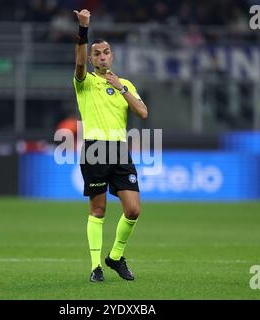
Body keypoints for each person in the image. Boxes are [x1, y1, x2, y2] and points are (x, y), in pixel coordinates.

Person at [72, 9, 148, 282]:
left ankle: (115, 257)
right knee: (98, 210)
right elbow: (79, 64)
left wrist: (121, 87)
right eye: (97, 53)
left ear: (112, 56)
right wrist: (83, 29)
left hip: (119, 150)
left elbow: (142, 112)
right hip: (94, 149)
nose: (102, 56)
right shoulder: (85, 82)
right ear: (92, 59)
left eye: (106, 52)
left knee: (133, 210)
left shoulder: (125, 83)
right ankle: (95, 267)